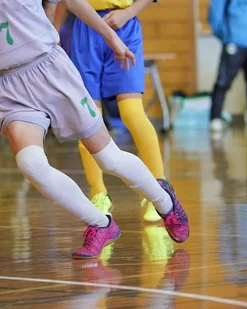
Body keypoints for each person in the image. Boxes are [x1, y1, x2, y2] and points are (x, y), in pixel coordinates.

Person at [0, 0, 189, 258]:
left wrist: (110, 36)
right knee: (30, 164)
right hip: (9, 85)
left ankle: (164, 202)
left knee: (108, 158)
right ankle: (100, 223)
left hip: (50, 71)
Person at [53, 0, 164, 222]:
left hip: (124, 26)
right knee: (88, 118)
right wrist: (53, 36)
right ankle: (98, 193)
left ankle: (160, 192)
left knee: (132, 113)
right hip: (86, 29)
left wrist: (129, 12)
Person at [208, 0, 247, 133]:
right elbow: (215, 14)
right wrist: (226, 35)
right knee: (223, 82)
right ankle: (215, 118)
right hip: (234, 40)